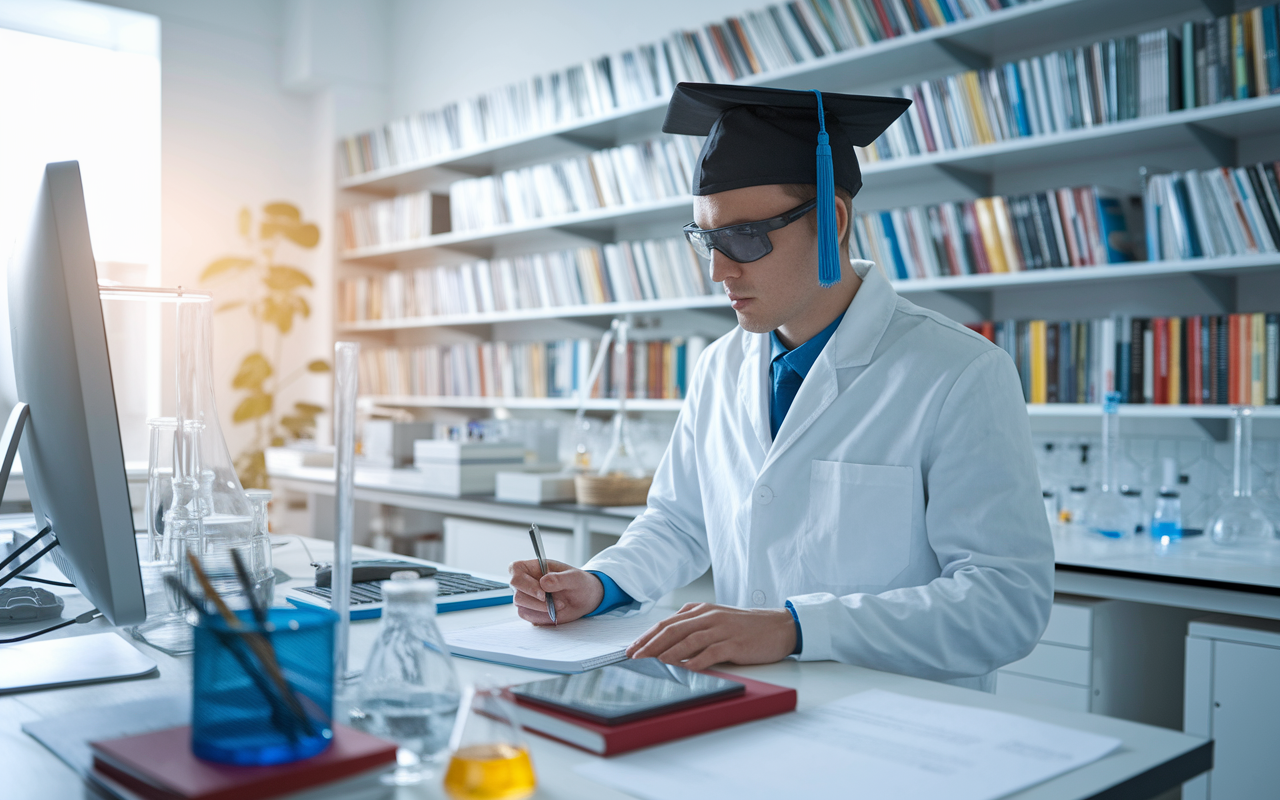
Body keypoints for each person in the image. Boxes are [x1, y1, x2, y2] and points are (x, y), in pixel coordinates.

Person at [509, 83, 1054, 690]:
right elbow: (680, 522)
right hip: (748, 701)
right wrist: (602, 583)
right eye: (707, 238)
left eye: (744, 237)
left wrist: (795, 628)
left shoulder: (958, 371)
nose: (719, 270)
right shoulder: (719, 366)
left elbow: (1004, 605)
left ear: (833, 219)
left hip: (897, 722)